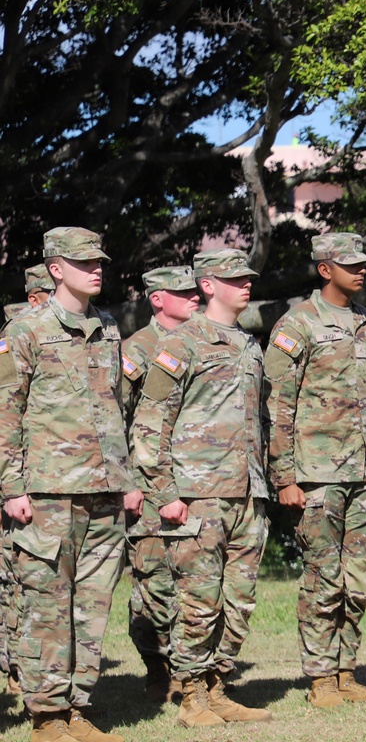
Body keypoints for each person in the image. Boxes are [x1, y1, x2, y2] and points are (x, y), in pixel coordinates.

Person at [0, 227, 143, 742]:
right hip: (48, 492)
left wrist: (127, 479)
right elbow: (4, 412)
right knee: (47, 603)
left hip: (104, 489)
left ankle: (78, 707)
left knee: (92, 604)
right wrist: (11, 486)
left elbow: (116, 411)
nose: (97, 269)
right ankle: (46, 717)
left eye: (100, 261)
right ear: (56, 268)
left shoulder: (107, 328)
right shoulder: (25, 330)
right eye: (84, 262)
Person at [131, 248, 271, 728]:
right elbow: (150, 423)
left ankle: (217, 685)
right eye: (234, 278)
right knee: (198, 600)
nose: (246, 284)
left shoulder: (250, 344)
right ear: (208, 285)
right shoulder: (183, 343)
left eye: (247, 277)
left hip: (248, 493)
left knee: (240, 599)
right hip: (198, 493)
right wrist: (165, 492)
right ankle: (191, 694)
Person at [263, 232, 366, 707]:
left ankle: (346, 671)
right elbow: (277, 404)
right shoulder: (297, 324)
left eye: (364, 265)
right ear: (324, 269)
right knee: (323, 576)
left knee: (358, 576)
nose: (361, 271)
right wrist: (285, 476)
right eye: (351, 265)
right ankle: (319, 677)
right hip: (316, 473)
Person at [121, 266, 200, 702]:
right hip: (147, 488)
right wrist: (130, 482)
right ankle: (157, 667)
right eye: (182, 292)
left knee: (191, 579)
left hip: (193, 481)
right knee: (152, 578)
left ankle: (190, 667)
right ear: (157, 299)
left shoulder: (203, 341)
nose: (194, 297)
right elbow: (116, 417)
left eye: (195, 290)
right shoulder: (139, 348)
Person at [0, 263, 55, 697]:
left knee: (20, 580)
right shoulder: (18, 335)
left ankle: (21, 668)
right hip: (12, 474)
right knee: (13, 582)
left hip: (21, 471)